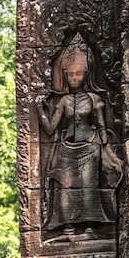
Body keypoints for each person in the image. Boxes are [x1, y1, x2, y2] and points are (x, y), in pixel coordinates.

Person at [37, 35, 122, 241]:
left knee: (88, 188)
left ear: (87, 74)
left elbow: (102, 131)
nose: (74, 78)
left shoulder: (94, 99)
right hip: (67, 151)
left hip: (91, 149)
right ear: (66, 75)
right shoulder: (64, 100)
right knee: (65, 190)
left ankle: (90, 229)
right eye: (71, 74)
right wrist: (39, 108)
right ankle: (67, 229)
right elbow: (49, 129)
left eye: (78, 74)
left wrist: (111, 156)